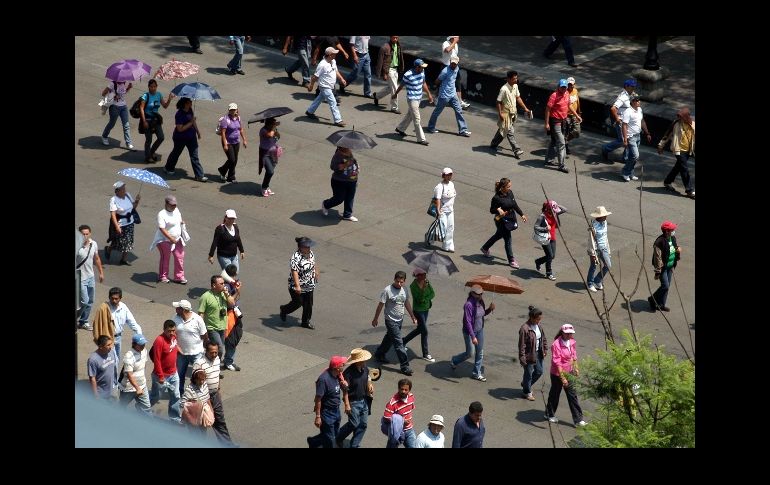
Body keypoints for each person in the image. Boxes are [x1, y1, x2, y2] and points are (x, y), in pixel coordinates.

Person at [372, 271, 418, 376]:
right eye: (397, 281)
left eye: (401, 282)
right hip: (390, 320)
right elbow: (380, 305)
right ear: (394, 279)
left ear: (404, 281)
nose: (399, 284)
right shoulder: (387, 290)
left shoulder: (404, 290)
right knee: (398, 343)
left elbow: (406, 303)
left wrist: (412, 316)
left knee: (390, 337)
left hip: (399, 319)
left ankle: (380, 354)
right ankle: (405, 366)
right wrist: (375, 319)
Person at [449, 285, 495, 382]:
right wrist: (473, 336)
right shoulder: (468, 305)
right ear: (473, 294)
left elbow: (482, 314)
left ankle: (476, 373)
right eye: (478, 294)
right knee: (470, 353)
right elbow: (468, 322)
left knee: (480, 352)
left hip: (480, 330)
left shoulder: (481, 302)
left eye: (481, 293)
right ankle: (455, 360)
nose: (480, 295)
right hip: (469, 332)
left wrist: (490, 309)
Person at [480, 178, 528, 269]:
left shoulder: (510, 193)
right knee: (508, 239)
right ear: (502, 187)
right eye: (508, 186)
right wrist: (498, 209)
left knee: (498, 235)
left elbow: (514, 205)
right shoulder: (496, 198)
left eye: (510, 186)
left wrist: (522, 214)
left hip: (510, 218)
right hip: (501, 220)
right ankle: (511, 260)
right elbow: (491, 210)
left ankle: (485, 248)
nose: (510, 188)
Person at [193, 341, 234, 445]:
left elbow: (217, 374)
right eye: (212, 352)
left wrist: (218, 389)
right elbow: (195, 383)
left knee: (220, 421)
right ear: (206, 351)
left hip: (215, 395)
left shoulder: (217, 359)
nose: (214, 355)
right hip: (203, 398)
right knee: (204, 423)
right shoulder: (199, 363)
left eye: (216, 352)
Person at [545, 324, 586, 427]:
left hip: (570, 372)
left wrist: (576, 368)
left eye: (570, 333)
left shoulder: (572, 342)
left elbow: (574, 356)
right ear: (562, 332)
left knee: (572, 395)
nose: (569, 335)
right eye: (567, 333)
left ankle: (578, 419)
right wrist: (562, 378)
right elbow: (557, 363)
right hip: (557, 374)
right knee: (555, 394)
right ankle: (549, 414)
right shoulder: (556, 344)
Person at [335, 348, 374, 448]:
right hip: (353, 402)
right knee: (354, 423)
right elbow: (345, 390)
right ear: (357, 361)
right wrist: (347, 404)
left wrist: (370, 385)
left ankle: (354, 445)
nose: (365, 361)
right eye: (363, 360)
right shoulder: (348, 373)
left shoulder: (365, 368)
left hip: (364, 400)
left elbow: (368, 377)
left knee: (363, 424)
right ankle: (339, 437)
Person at [307, 356, 348, 448]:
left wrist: (344, 385)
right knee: (329, 440)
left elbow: (343, 388)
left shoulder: (338, 375)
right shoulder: (323, 380)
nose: (344, 365)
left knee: (333, 434)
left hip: (336, 410)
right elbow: (318, 399)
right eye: (342, 364)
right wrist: (318, 416)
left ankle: (313, 442)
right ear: (337, 367)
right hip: (327, 413)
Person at [426, 56, 471, 137]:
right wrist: (435, 89)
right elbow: (437, 81)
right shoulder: (445, 71)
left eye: (455, 64)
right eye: (452, 63)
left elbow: (454, 81)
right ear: (450, 62)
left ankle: (463, 130)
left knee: (459, 111)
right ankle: (430, 127)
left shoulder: (457, 69)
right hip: (444, 95)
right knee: (437, 112)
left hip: (453, 94)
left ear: (457, 63)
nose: (453, 65)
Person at [280, 237, 319, 329]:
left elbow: (314, 263)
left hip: (309, 284)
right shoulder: (295, 257)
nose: (309, 248)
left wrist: (316, 271)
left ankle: (305, 322)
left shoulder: (310, 253)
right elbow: (294, 272)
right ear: (301, 247)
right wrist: (297, 286)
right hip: (296, 286)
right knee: (298, 303)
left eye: (309, 247)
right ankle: (284, 310)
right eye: (307, 247)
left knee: (308, 304)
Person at [490, 70, 531, 159]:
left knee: (503, 129)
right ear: (508, 79)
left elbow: (518, 97)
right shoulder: (503, 89)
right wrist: (500, 113)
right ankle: (516, 149)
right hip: (505, 113)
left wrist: (525, 108)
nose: (516, 80)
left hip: (513, 113)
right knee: (509, 131)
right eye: (514, 79)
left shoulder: (515, 86)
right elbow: (498, 102)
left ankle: (494, 143)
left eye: (516, 78)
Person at [164, 97, 206, 182]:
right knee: (176, 153)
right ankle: (168, 168)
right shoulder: (179, 114)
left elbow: (193, 121)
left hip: (191, 137)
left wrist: (198, 132)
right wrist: (191, 123)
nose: (191, 102)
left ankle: (199, 175)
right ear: (185, 104)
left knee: (194, 156)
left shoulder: (190, 110)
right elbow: (180, 129)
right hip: (180, 138)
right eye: (189, 102)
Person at [544, 79, 582, 173]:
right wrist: (547, 123)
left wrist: (577, 116)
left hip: (563, 122)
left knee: (554, 140)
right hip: (555, 121)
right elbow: (547, 110)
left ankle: (548, 160)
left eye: (565, 87)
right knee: (562, 143)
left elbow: (569, 106)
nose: (564, 89)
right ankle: (562, 165)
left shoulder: (566, 94)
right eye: (562, 87)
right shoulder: (554, 96)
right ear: (558, 87)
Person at [394, 59, 433, 146]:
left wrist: (429, 94)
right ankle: (421, 139)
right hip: (412, 99)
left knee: (410, 115)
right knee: (417, 119)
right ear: (416, 67)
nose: (423, 69)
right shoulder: (408, 75)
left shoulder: (422, 72)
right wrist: (395, 94)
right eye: (421, 67)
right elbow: (401, 85)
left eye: (423, 67)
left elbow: (424, 83)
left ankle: (400, 128)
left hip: (419, 97)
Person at [198, 275, 236, 368]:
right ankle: (213, 366)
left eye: (224, 283)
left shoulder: (223, 294)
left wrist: (227, 294)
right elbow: (201, 314)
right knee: (219, 349)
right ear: (214, 285)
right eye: (221, 283)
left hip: (222, 326)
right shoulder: (206, 297)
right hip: (212, 328)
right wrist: (201, 330)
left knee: (215, 349)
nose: (224, 285)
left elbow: (232, 303)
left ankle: (212, 366)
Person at [172, 299, 209, 392]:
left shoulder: (197, 319)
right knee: (180, 376)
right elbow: (171, 335)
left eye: (178, 308)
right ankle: (180, 395)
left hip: (197, 353)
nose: (176, 309)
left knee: (198, 375)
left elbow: (204, 335)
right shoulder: (175, 319)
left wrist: (206, 348)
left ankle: (198, 393)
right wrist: (176, 347)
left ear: (184, 310)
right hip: (181, 354)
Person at [100, 286, 143, 366]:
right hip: (108, 338)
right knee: (111, 361)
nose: (114, 300)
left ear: (120, 298)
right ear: (109, 297)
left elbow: (132, 322)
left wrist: (140, 337)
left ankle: (114, 378)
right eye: (112, 298)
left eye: (116, 299)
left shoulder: (123, 307)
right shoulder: (104, 308)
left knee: (117, 360)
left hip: (118, 338)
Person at [149, 320, 182, 423]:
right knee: (156, 396)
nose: (171, 333)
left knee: (176, 395)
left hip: (173, 373)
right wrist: (161, 376)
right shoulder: (159, 340)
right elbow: (157, 360)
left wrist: (180, 351)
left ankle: (175, 418)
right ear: (164, 330)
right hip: (161, 376)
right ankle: (143, 407)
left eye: (173, 330)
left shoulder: (174, 337)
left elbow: (174, 347)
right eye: (169, 331)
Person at [305, 46, 347, 127]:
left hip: (330, 86)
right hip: (325, 87)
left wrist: (341, 79)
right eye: (334, 53)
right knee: (333, 102)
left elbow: (336, 71)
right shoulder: (322, 65)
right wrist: (311, 86)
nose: (336, 54)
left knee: (319, 98)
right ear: (330, 55)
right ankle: (338, 120)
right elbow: (315, 77)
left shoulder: (333, 61)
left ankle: (309, 111)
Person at [659, 107, 695, 199]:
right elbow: (667, 135)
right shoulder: (676, 123)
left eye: (681, 116)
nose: (679, 118)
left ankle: (667, 181)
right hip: (679, 150)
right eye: (679, 116)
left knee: (678, 167)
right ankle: (689, 190)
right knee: (684, 169)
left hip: (688, 150)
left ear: (686, 116)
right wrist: (661, 146)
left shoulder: (693, 124)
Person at [150, 194, 187, 284]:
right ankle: (163, 276)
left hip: (177, 239)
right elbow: (162, 228)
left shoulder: (177, 210)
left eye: (175, 204)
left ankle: (179, 276)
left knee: (179, 257)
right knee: (165, 257)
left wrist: (182, 222)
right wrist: (170, 238)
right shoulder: (161, 214)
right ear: (166, 204)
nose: (174, 206)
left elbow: (179, 219)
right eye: (172, 204)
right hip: (164, 240)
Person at [402, 267, 436, 362]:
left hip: (426, 309)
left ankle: (403, 341)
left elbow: (432, 294)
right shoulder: (413, 286)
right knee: (424, 331)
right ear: (418, 276)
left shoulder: (427, 282)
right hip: (418, 310)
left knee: (420, 329)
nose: (425, 276)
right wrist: (424, 291)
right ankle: (425, 354)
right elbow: (419, 300)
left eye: (425, 274)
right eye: (423, 274)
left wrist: (426, 296)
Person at [138, 79, 174, 164]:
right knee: (149, 139)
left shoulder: (159, 95)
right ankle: (147, 157)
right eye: (151, 87)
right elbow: (141, 108)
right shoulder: (145, 96)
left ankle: (151, 152)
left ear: (156, 86)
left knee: (161, 137)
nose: (153, 88)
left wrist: (169, 99)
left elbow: (165, 106)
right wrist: (144, 121)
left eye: (154, 86)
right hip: (147, 119)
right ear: (149, 87)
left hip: (155, 119)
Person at [320, 146, 360, 221]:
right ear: (342, 146)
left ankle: (347, 215)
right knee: (339, 199)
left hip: (352, 180)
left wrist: (357, 168)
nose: (349, 147)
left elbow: (353, 162)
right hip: (339, 181)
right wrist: (345, 165)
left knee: (350, 198)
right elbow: (333, 167)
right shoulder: (338, 155)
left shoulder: (349, 152)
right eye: (347, 145)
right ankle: (326, 204)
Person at [601, 79, 637, 162]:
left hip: (628, 122)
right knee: (622, 141)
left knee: (628, 139)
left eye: (634, 86)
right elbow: (613, 108)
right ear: (627, 86)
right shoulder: (623, 97)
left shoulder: (630, 95)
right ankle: (605, 148)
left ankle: (626, 158)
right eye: (632, 86)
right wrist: (618, 120)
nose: (633, 88)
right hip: (622, 122)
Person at [105, 180, 140, 266]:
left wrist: (137, 201)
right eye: (122, 189)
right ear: (117, 191)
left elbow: (133, 207)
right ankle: (109, 249)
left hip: (130, 223)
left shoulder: (127, 195)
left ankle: (123, 259)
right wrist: (117, 226)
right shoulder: (113, 200)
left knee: (129, 242)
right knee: (118, 242)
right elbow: (113, 214)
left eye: (124, 188)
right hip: (120, 224)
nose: (124, 190)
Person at [649, 221, 681, 312]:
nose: (674, 231)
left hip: (670, 266)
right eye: (672, 229)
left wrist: (677, 250)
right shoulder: (659, 242)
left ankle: (661, 304)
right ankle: (652, 299)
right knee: (665, 286)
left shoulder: (673, 238)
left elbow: (673, 248)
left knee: (667, 287)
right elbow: (657, 258)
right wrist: (658, 271)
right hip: (663, 268)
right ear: (666, 231)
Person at [76, 224, 104, 330]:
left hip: (90, 277)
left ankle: (83, 321)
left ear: (90, 234)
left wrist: (101, 273)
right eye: (83, 234)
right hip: (79, 278)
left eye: (87, 234)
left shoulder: (94, 244)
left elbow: (96, 259)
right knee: (85, 301)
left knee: (90, 301)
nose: (85, 236)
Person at [518, 306, 548, 401]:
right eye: (538, 319)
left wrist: (545, 348)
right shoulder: (524, 329)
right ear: (532, 318)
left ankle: (526, 384)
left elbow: (543, 338)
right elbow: (521, 345)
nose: (539, 321)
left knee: (539, 371)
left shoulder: (539, 326)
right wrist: (522, 357)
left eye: (540, 319)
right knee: (528, 374)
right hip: (529, 355)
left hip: (538, 353)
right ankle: (526, 392)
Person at [621, 95, 652, 182]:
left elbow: (642, 121)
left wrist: (647, 133)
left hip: (638, 136)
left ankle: (630, 172)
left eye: (639, 100)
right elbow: (624, 125)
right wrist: (625, 139)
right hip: (631, 137)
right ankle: (625, 172)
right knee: (635, 155)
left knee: (632, 156)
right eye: (636, 100)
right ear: (632, 102)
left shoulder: (640, 110)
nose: (639, 102)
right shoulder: (628, 112)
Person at [118, 333, 152, 414]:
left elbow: (144, 365)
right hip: (128, 389)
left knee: (147, 408)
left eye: (144, 344)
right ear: (134, 344)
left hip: (142, 386)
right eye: (140, 344)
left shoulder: (144, 351)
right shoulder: (128, 356)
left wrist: (142, 382)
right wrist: (137, 388)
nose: (143, 346)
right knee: (121, 408)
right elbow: (129, 375)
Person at [534, 200, 567, 281]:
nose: (555, 212)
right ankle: (549, 273)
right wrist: (545, 228)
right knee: (550, 256)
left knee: (552, 256)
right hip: (545, 238)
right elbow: (535, 226)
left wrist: (555, 205)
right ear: (548, 209)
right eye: (553, 210)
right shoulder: (542, 216)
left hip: (553, 238)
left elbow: (565, 209)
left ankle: (538, 261)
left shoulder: (554, 213)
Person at [373, 35, 404, 114]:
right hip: (389, 70)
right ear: (390, 37)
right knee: (395, 89)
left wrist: (401, 68)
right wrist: (384, 73)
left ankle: (377, 96)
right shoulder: (385, 47)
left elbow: (400, 57)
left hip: (395, 69)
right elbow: (380, 61)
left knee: (391, 88)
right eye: (394, 37)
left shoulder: (398, 45)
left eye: (397, 37)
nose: (395, 39)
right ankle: (394, 107)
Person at [217, 103, 247, 184]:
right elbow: (223, 133)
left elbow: (241, 129)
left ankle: (230, 177)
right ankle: (222, 170)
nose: (233, 111)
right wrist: (225, 144)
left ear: (237, 110)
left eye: (234, 109)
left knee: (235, 160)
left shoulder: (238, 118)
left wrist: (244, 140)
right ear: (229, 110)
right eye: (231, 110)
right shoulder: (225, 120)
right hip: (228, 142)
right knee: (232, 159)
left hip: (236, 142)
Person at [100, 80, 134, 150]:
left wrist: (128, 88)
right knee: (112, 123)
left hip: (123, 106)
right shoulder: (112, 84)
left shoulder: (125, 83)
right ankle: (104, 136)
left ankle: (128, 142)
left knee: (126, 125)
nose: (123, 79)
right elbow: (103, 93)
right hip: (114, 107)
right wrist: (113, 95)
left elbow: (123, 93)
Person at [221, 264, 243, 371]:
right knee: (231, 340)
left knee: (233, 338)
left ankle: (229, 359)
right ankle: (228, 361)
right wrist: (238, 291)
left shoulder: (230, 284)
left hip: (234, 315)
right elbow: (230, 302)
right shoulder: (226, 286)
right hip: (229, 316)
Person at [382, 378, 416, 448]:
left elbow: (410, 409)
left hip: (409, 430)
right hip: (396, 432)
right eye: (401, 389)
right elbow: (386, 417)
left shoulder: (411, 397)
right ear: (398, 388)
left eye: (406, 390)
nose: (403, 391)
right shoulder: (392, 403)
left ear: (409, 390)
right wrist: (402, 421)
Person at [586, 206, 613, 292]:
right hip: (595, 249)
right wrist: (592, 253)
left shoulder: (604, 222)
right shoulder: (593, 226)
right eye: (604, 215)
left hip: (604, 248)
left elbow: (605, 237)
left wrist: (608, 250)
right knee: (593, 266)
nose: (606, 217)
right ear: (598, 217)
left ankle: (597, 280)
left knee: (608, 265)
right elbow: (591, 241)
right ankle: (590, 283)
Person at [431, 167, 457, 252]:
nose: (449, 176)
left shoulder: (451, 184)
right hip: (442, 211)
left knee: (450, 227)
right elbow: (437, 199)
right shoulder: (440, 186)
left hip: (450, 210)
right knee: (443, 228)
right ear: (443, 175)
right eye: (447, 175)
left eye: (450, 174)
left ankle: (447, 245)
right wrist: (438, 210)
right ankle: (430, 237)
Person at [441, 36, 470, 108]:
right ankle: (438, 99)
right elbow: (447, 50)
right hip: (446, 67)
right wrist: (454, 42)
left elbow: (454, 55)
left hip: (455, 67)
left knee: (457, 83)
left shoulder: (456, 44)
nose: (458, 38)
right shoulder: (445, 43)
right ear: (452, 38)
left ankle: (459, 101)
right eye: (456, 37)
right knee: (444, 84)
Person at [88, 335, 118, 400]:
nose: (111, 347)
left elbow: (114, 368)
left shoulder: (111, 352)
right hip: (101, 393)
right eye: (108, 345)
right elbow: (92, 378)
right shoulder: (93, 359)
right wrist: (96, 395)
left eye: (111, 344)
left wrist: (116, 383)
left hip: (112, 389)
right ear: (101, 346)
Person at [258, 117, 281, 197]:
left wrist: (275, 129)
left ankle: (266, 186)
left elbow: (278, 136)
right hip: (265, 154)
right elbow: (270, 135)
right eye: (273, 123)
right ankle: (264, 188)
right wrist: (274, 127)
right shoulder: (263, 130)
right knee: (270, 171)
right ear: (269, 124)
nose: (275, 124)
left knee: (269, 172)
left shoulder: (273, 129)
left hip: (273, 153)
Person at [564, 77, 582, 155]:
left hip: (575, 115)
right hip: (566, 115)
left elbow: (577, 102)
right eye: (569, 84)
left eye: (572, 84)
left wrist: (579, 112)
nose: (570, 86)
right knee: (566, 131)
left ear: (574, 84)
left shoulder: (575, 91)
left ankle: (565, 141)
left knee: (577, 132)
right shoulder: (564, 92)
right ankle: (565, 145)